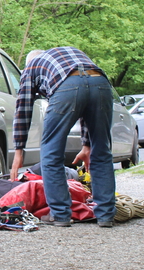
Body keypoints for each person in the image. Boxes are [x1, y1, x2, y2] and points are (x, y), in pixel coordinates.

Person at [8, 47, 116, 228]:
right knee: (102, 151)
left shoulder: (31, 66)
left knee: (51, 153)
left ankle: (60, 215)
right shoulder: (68, 54)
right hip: (101, 83)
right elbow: (85, 95)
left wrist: (19, 151)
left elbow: (23, 108)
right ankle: (106, 215)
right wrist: (87, 146)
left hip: (67, 85)